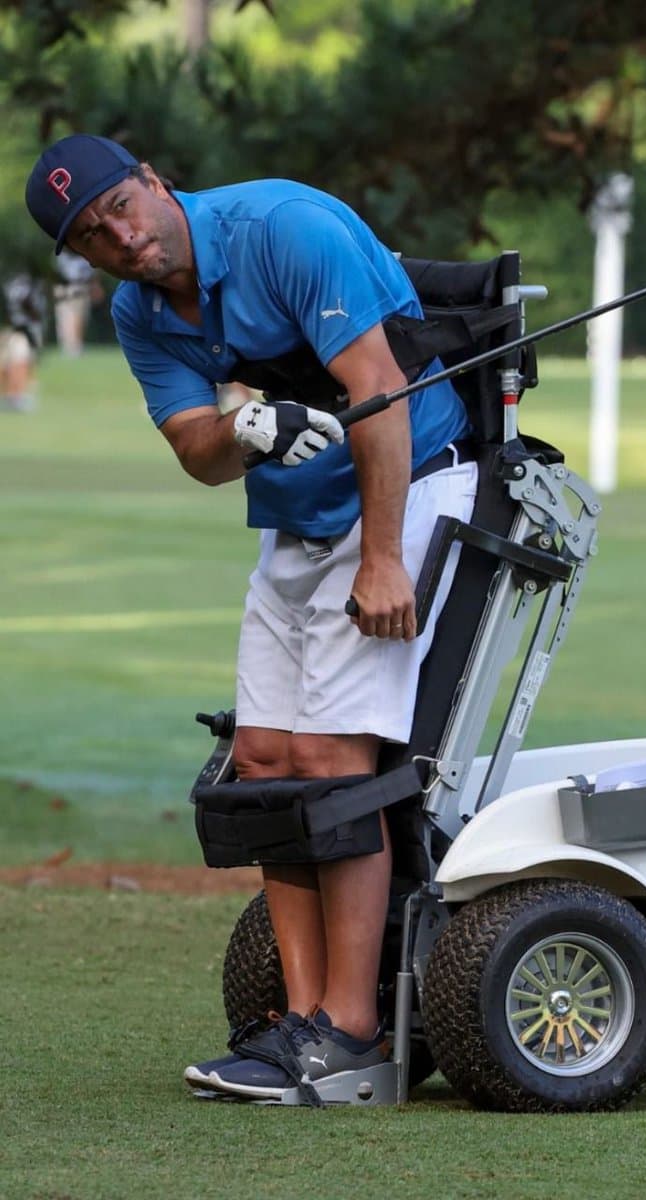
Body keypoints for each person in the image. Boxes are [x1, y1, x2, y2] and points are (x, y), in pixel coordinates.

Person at [25, 134, 477, 1102]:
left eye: (118, 206)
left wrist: (387, 557)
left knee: (330, 762)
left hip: (408, 490)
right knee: (266, 761)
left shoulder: (285, 227)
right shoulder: (137, 308)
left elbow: (379, 391)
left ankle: (352, 1037)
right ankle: (300, 1023)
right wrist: (244, 429)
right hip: (298, 518)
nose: (118, 235)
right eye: (91, 235)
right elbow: (196, 449)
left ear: (152, 180)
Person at [0, 272, 47, 412]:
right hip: (13, 329)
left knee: (20, 361)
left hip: (25, 329)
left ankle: (16, 396)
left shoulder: (30, 284)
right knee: (12, 362)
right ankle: (13, 396)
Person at [52, 247, 103, 356]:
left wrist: (95, 287)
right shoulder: (60, 256)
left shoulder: (85, 256)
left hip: (82, 287)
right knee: (66, 317)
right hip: (65, 288)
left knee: (81, 317)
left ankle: (76, 344)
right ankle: (69, 346)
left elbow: (93, 274)